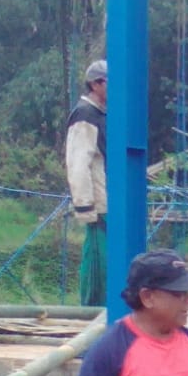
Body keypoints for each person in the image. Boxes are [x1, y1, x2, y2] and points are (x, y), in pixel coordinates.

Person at [65, 59, 108, 307]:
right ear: (96, 84)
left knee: (108, 262)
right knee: (98, 264)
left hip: (107, 199)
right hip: (98, 204)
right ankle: (92, 312)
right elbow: (78, 162)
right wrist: (85, 206)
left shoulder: (102, 115)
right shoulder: (85, 115)